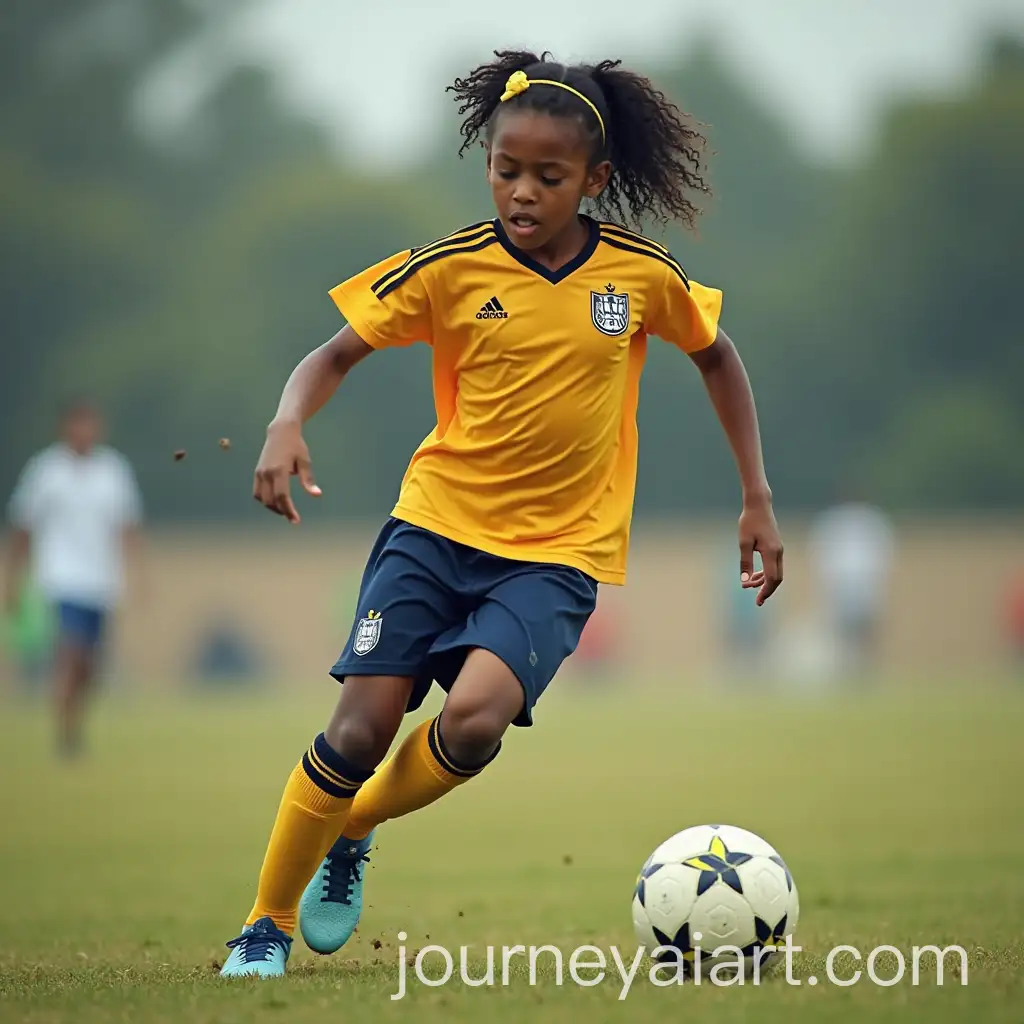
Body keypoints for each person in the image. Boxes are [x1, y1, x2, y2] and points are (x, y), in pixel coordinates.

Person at [219, 50, 784, 978]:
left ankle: (352, 828)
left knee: (476, 721)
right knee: (357, 733)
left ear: (594, 180)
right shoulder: (451, 267)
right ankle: (263, 927)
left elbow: (718, 356)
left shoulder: (639, 276)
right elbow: (331, 356)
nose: (521, 191)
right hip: (433, 532)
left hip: (557, 556)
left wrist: (755, 496)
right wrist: (287, 424)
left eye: (547, 176)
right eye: (505, 169)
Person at [4, 399, 143, 756]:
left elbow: (126, 526)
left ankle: (73, 721)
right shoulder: (46, 472)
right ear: (65, 428)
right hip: (62, 579)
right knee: (71, 652)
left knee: (90, 666)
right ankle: (65, 734)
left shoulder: (112, 470)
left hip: (101, 582)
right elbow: (24, 527)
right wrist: (13, 579)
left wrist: (137, 574)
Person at [808, 494, 894, 677]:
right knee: (845, 634)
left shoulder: (870, 522)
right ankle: (848, 670)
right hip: (844, 587)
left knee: (864, 632)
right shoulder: (839, 522)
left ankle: (865, 670)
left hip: (863, 586)